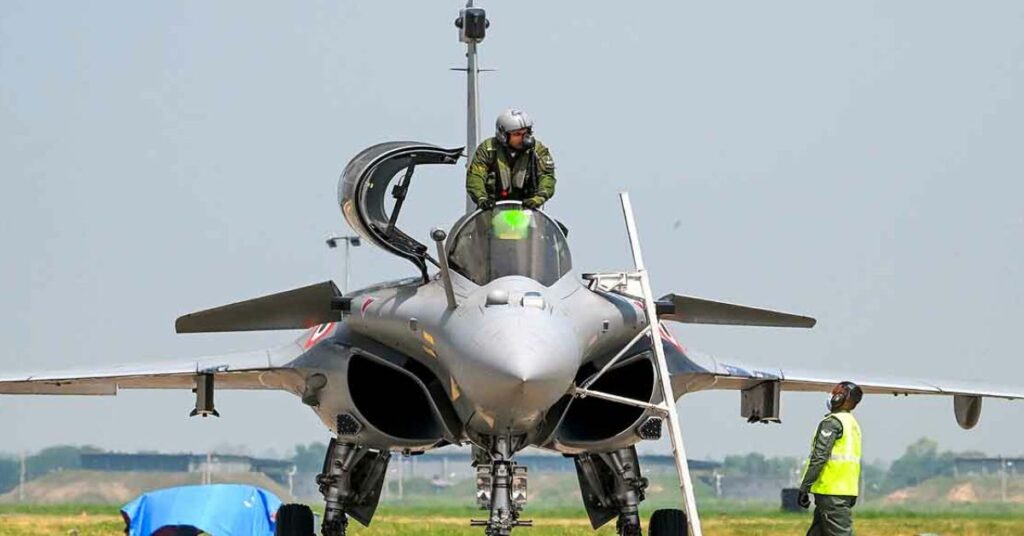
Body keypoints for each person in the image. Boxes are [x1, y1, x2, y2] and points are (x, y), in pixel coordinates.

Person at [799, 381, 863, 536]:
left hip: (831, 492)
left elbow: (819, 457)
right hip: (845, 490)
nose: (831, 396)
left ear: (839, 398)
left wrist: (805, 487)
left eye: (835, 393)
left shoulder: (832, 423)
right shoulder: (852, 424)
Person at [466, 109, 556, 210]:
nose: (523, 138)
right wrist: (481, 198)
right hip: (491, 209)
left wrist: (539, 198)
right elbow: (476, 175)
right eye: (517, 134)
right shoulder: (488, 149)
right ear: (503, 135)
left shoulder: (537, 150)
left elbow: (546, 176)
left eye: (525, 133)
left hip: (527, 209)